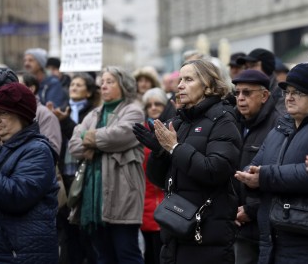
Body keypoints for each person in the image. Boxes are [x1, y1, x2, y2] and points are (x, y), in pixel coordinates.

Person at [134, 59, 242, 264]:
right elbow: (159, 180)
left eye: (189, 79)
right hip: (175, 228)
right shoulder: (180, 121)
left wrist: (174, 148)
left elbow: (214, 170)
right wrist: (159, 152)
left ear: (209, 86)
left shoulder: (224, 120)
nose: (180, 84)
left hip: (207, 233)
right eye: (180, 79)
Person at [235, 62, 308, 264]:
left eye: (298, 93)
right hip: (271, 239)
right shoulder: (281, 127)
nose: (289, 97)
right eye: (287, 92)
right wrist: (250, 177)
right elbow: (255, 165)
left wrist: (264, 177)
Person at [68, 66, 145, 264]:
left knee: (127, 253)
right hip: (93, 198)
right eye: (102, 82)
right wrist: (96, 141)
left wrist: (88, 137)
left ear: (124, 85)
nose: (103, 86)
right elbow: (74, 146)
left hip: (123, 194)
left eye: (110, 82)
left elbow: (118, 136)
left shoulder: (134, 111)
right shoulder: (94, 114)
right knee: (102, 256)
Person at [0, 82, 59, 263]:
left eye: (3, 113)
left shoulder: (38, 150)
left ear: (22, 116)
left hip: (19, 254)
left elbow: (16, 196)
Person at [232, 69, 281, 264]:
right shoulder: (233, 123)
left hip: (265, 227)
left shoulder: (278, 126)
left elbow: (278, 179)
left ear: (264, 96)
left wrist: (251, 211)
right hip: (235, 224)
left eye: (247, 92)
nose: (241, 98)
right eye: (237, 93)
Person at [50, 72, 98, 264]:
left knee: (85, 229)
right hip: (65, 175)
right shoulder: (62, 110)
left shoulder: (94, 112)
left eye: (79, 85)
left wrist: (66, 122)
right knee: (67, 229)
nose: (74, 88)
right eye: (72, 85)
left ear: (88, 92)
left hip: (85, 174)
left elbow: (83, 139)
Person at [140, 88, 167, 264]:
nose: (153, 107)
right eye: (149, 105)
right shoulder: (141, 131)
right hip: (145, 197)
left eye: (158, 104)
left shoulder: (171, 129)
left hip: (163, 197)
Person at [21, 72, 62, 156]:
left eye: (18, 85)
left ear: (31, 89)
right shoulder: (10, 114)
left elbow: (52, 149)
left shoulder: (46, 115)